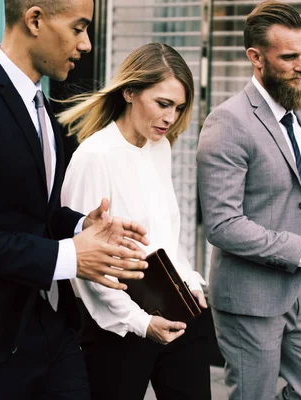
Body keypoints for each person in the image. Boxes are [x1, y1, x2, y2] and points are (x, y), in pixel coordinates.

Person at [0, 1, 151, 399]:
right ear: (35, 19)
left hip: (52, 328)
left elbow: (34, 212)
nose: (87, 44)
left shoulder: (44, 109)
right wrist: (69, 257)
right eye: (79, 28)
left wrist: (80, 225)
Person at [196, 2, 301, 399]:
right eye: (289, 57)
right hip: (249, 296)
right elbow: (221, 225)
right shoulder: (227, 122)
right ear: (256, 58)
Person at [59, 42, 211, 400]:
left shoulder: (160, 148)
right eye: (162, 104)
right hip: (119, 328)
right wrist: (141, 323)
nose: (170, 118)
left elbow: (166, 234)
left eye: (178, 107)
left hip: (176, 312)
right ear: (129, 91)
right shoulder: (94, 157)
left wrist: (190, 282)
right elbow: (88, 265)